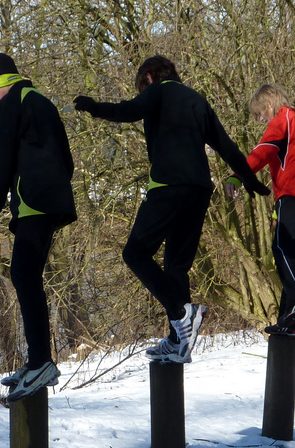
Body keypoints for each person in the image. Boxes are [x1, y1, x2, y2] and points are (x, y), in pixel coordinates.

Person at [73, 55, 270, 363]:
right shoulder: (197, 100)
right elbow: (226, 146)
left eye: (142, 86)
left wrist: (95, 107)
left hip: (169, 188)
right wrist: (250, 180)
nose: (142, 92)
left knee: (135, 253)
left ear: (150, 77)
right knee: (176, 266)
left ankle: (182, 314)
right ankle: (179, 340)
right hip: (199, 190)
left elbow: (129, 110)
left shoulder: (159, 89)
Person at [0, 52, 77, 402]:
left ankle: (40, 362)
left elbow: (2, 158)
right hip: (51, 202)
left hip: (35, 202)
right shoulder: (43, 102)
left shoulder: (13, 103)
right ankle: (38, 361)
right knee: (27, 275)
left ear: (2, 82)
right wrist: (55, 189)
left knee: (23, 275)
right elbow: (68, 160)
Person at [226, 84, 295, 336]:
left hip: (294, 193)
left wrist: (239, 175)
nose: (261, 119)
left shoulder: (283, 120)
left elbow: (264, 151)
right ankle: (290, 319)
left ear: (269, 102)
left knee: (282, 248)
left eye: (260, 113)